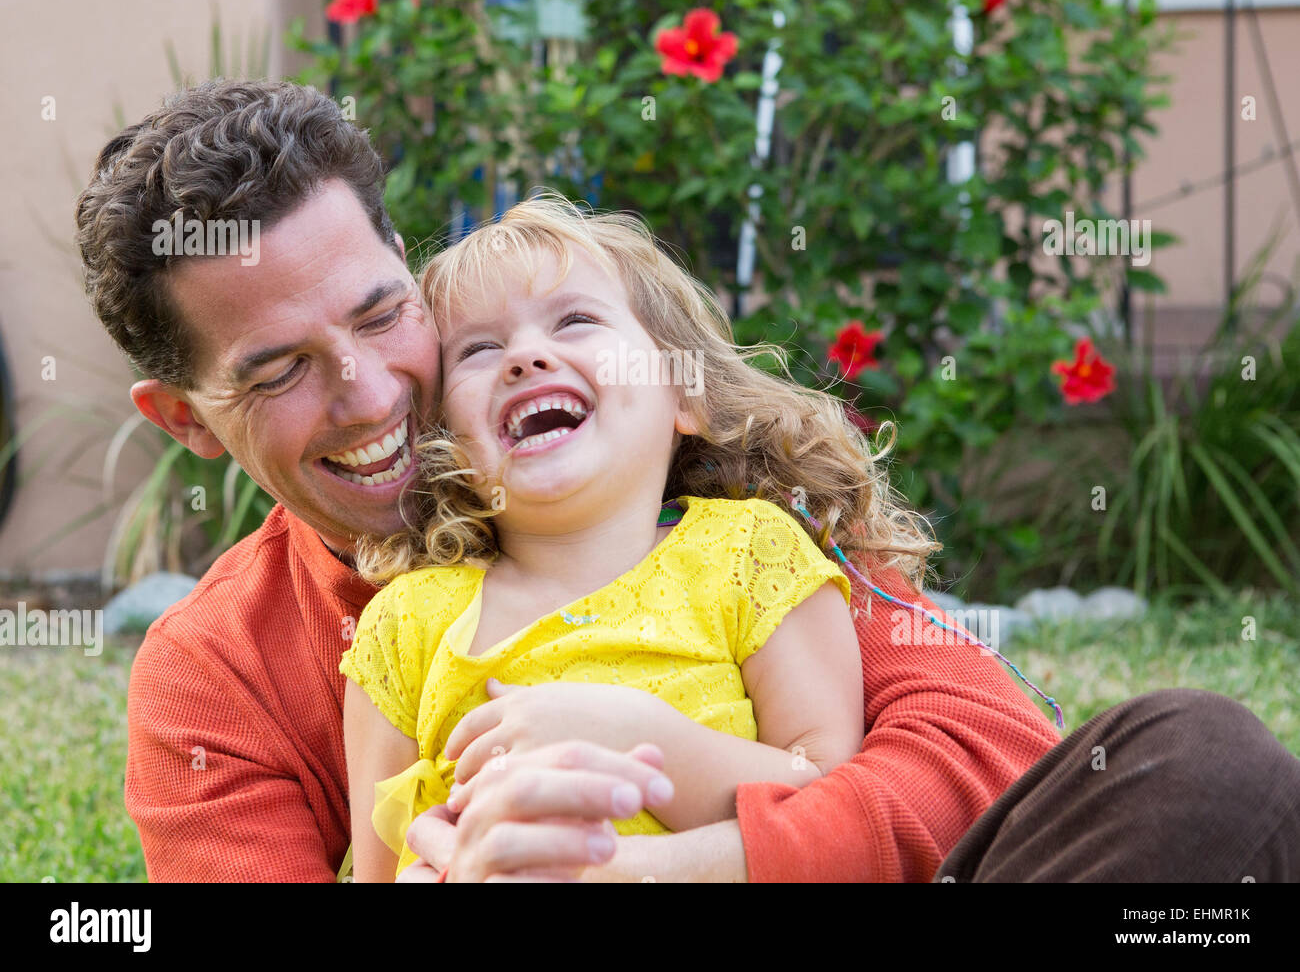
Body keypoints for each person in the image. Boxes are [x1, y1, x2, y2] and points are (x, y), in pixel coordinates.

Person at [75, 79, 1299, 883]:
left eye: (384, 314)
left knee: (1197, 767)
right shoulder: (221, 673)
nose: (369, 393)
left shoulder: (721, 525)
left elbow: (988, 762)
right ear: (185, 421)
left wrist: (663, 850)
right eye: (280, 369)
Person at [341, 195, 907, 879]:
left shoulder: (753, 554)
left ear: (685, 395)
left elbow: (828, 803)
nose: (524, 357)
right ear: (444, 440)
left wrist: (641, 736)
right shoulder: (403, 626)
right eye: (480, 348)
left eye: (575, 320)